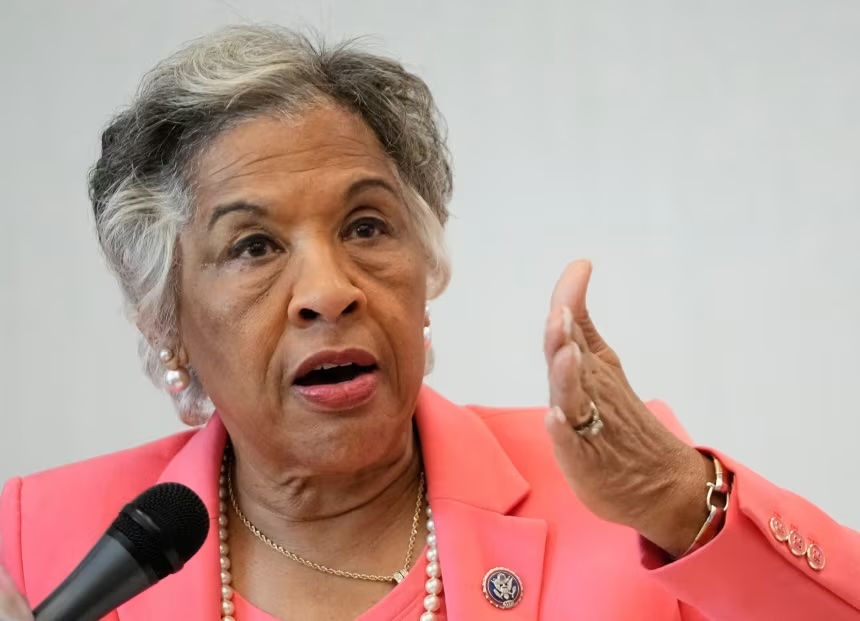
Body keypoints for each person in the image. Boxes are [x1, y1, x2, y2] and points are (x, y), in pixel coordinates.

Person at [1, 25, 858, 621]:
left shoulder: (621, 498)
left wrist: (677, 500)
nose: (329, 291)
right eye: (254, 246)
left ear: (424, 270)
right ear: (168, 320)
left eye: (367, 226)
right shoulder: (36, 539)